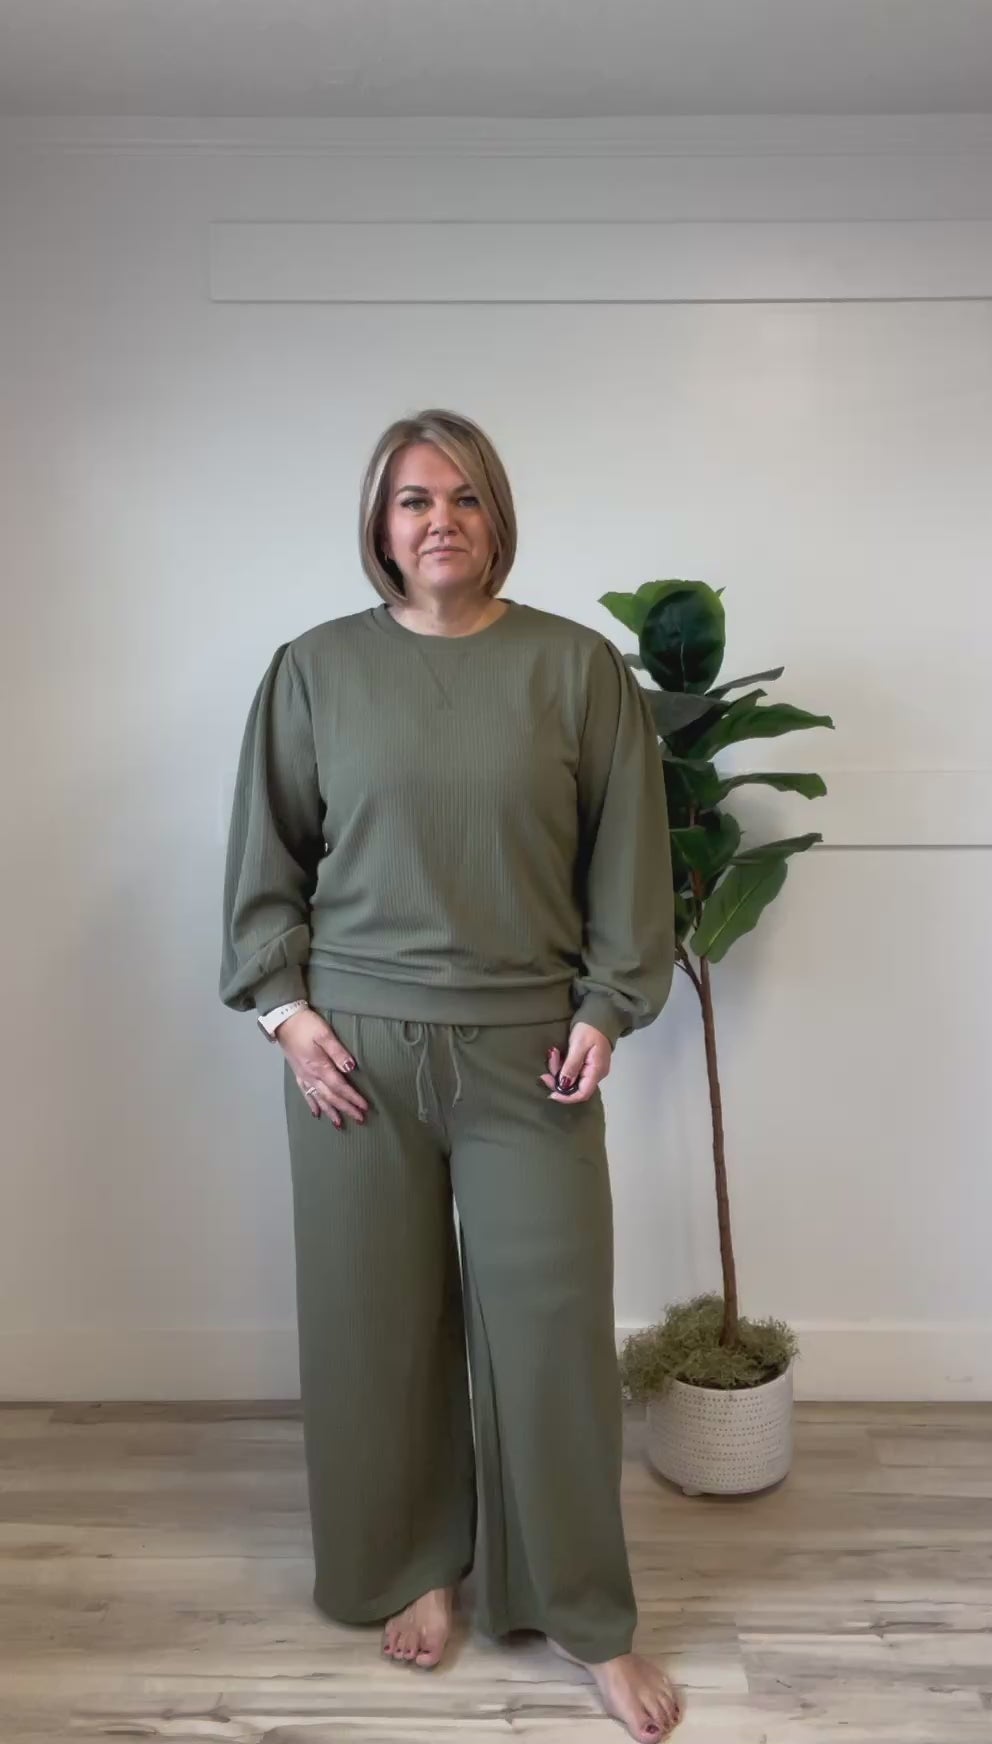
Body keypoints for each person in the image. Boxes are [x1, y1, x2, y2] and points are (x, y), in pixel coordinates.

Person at [219, 408, 683, 1742]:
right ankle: (413, 1566)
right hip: (355, 1052)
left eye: (466, 497)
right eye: (416, 499)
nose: (441, 521)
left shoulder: (577, 670)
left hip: (532, 1053)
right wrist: (287, 1018)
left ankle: (583, 1613)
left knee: (551, 1339)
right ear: (381, 523)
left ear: (498, 518)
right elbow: (267, 864)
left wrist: (610, 1006)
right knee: (375, 1328)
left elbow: (627, 859)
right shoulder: (314, 671)